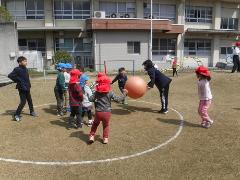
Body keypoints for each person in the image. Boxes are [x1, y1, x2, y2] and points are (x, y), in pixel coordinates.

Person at [89, 73, 127, 144]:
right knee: (106, 125)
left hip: (98, 112)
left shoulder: (97, 92)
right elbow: (118, 99)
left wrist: (94, 94)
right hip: (107, 113)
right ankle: (105, 138)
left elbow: (90, 99)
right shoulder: (110, 92)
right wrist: (124, 93)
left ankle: (91, 136)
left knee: (95, 124)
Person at [8, 56, 37, 122]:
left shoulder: (25, 69)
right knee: (23, 101)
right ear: (20, 62)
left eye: (26, 61)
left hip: (27, 87)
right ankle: (16, 115)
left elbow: (26, 78)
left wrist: (29, 85)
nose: (26, 62)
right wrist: (18, 80)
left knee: (30, 100)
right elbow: (10, 75)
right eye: (24, 61)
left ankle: (32, 112)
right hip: (21, 88)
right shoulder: (17, 69)